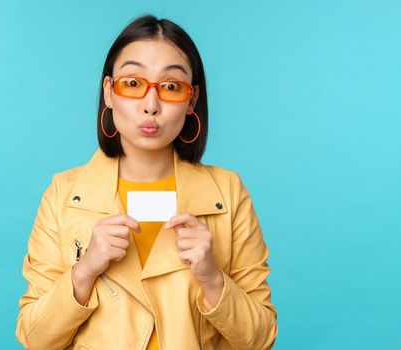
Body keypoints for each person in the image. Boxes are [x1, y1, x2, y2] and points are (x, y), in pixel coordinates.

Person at [15, 15, 278, 350]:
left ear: (191, 100)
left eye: (170, 87)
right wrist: (84, 271)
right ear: (109, 92)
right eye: (133, 84)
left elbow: (261, 338)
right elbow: (35, 338)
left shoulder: (227, 192)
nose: (151, 106)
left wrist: (213, 279)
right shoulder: (64, 194)